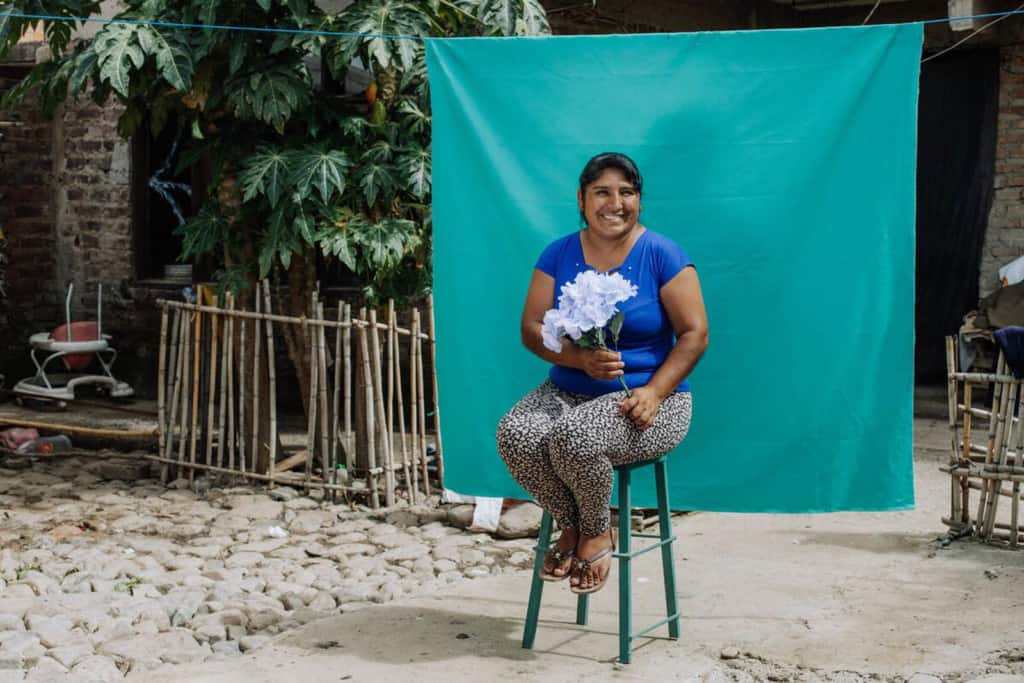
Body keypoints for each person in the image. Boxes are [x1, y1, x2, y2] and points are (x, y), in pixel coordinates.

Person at [496, 152, 709, 594]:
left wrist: (654, 391)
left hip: (652, 403)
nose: (615, 203)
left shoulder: (662, 255)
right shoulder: (558, 254)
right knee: (514, 433)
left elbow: (695, 334)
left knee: (575, 437)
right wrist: (577, 360)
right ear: (581, 199)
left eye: (626, 192)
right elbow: (531, 329)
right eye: (602, 192)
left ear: (640, 201)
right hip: (569, 391)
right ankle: (576, 525)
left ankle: (594, 533)